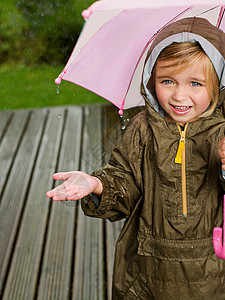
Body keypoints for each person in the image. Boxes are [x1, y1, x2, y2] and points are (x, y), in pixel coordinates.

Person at [46, 17, 225, 299]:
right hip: (147, 269)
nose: (179, 95)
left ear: (218, 84)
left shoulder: (223, 132)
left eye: (195, 83)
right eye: (167, 81)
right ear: (151, 79)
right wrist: (96, 183)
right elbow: (125, 180)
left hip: (214, 271)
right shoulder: (144, 129)